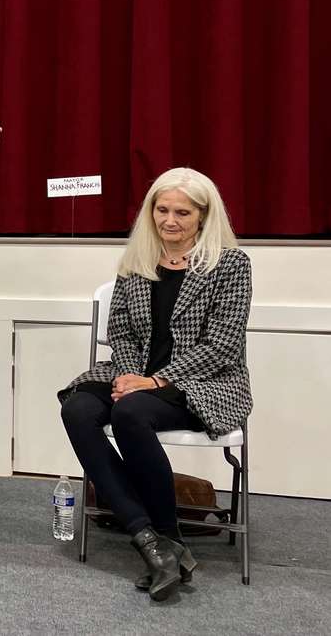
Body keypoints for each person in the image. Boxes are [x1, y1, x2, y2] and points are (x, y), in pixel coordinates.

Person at [58, 167, 252, 601]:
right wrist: (130, 376)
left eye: (182, 212)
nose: (170, 220)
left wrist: (155, 379)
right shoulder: (136, 263)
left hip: (203, 382)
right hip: (135, 375)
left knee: (130, 412)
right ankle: (153, 541)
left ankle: (165, 534)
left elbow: (221, 346)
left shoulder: (231, 264)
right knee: (77, 408)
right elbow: (122, 331)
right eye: (161, 210)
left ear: (203, 215)